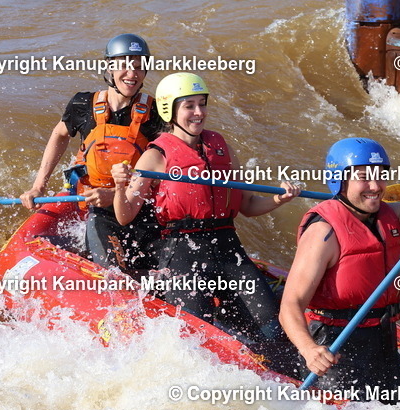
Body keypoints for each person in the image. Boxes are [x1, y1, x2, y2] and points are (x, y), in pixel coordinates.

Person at [111, 72, 301, 365]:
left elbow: (247, 204)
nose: (198, 113)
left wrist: (279, 199)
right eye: (189, 105)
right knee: (196, 336)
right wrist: (121, 185)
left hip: (228, 249)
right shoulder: (155, 156)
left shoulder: (220, 145)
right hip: (183, 253)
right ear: (169, 110)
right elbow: (125, 216)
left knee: (271, 324)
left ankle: (291, 380)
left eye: (202, 104)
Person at [279, 138, 400, 401]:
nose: (375, 186)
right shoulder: (323, 232)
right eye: (364, 177)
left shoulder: (395, 213)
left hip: (383, 340)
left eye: (380, 176)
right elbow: (290, 304)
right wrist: (310, 350)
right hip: (336, 347)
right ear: (340, 179)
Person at [19, 33, 161, 272]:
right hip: (97, 210)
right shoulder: (83, 104)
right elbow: (60, 134)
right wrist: (38, 185)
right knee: (114, 273)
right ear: (109, 67)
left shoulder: (156, 113)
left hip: (138, 208)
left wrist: (116, 194)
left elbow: (161, 169)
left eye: (139, 66)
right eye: (124, 65)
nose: (132, 74)